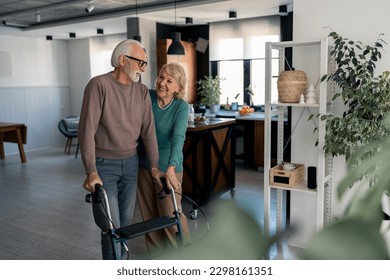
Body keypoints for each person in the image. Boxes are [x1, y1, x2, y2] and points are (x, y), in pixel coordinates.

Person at [78, 39, 163, 260]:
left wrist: (154, 167)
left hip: (131, 163)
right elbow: (87, 130)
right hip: (104, 165)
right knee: (111, 227)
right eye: (140, 63)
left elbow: (149, 132)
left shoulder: (142, 91)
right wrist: (91, 171)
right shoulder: (99, 85)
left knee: (125, 224)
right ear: (123, 60)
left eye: (145, 64)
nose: (143, 69)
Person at [137, 62, 191, 258]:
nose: (162, 83)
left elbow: (178, 138)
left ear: (179, 87)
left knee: (171, 215)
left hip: (169, 169)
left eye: (170, 81)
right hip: (144, 165)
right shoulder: (147, 96)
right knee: (149, 218)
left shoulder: (181, 107)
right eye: (161, 77)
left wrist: (171, 167)